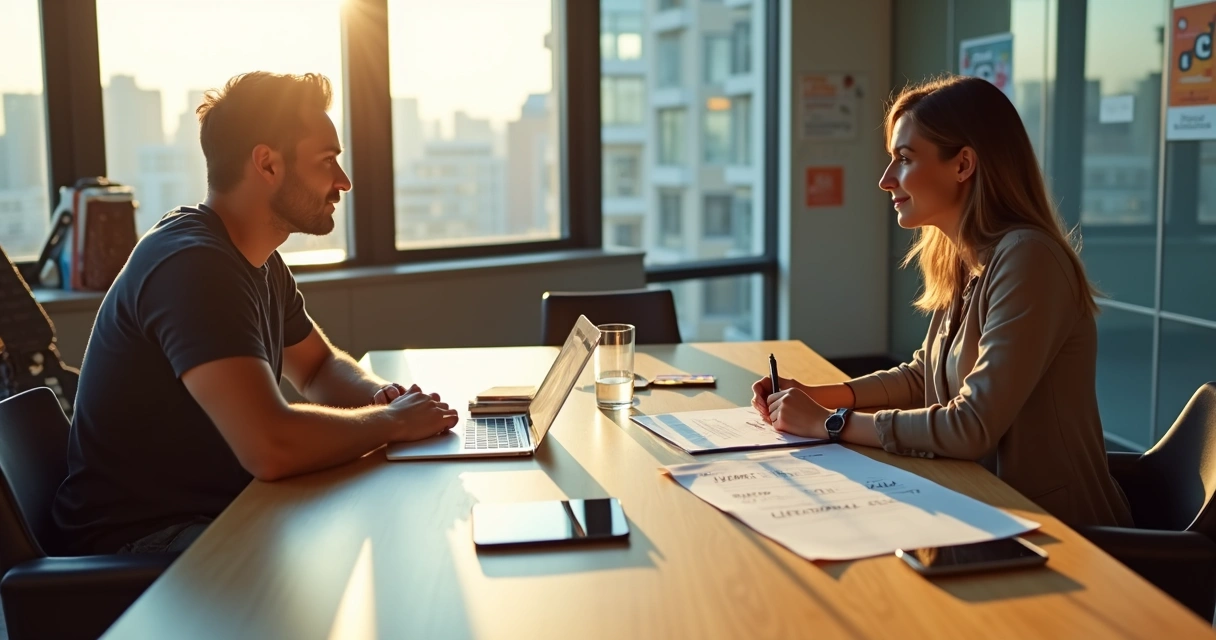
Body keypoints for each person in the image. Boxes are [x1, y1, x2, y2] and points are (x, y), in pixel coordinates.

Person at [53, 72, 459, 555]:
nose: (343, 182)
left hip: (215, 515)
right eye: (327, 161)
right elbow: (271, 446)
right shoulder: (193, 265)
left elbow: (319, 367)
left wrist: (383, 396)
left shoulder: (255, 257)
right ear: (266, 164)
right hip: (140, 544)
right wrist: (392, 422)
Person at [752, 75, 1133, 528]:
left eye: (904, 159)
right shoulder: (965, 256)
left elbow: (971, 426)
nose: (885, 179)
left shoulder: (1029, 259)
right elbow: (923, 377)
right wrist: (819, 396)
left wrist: (830, 422)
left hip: (1059, 533)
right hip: (982, 506)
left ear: (963, 164)